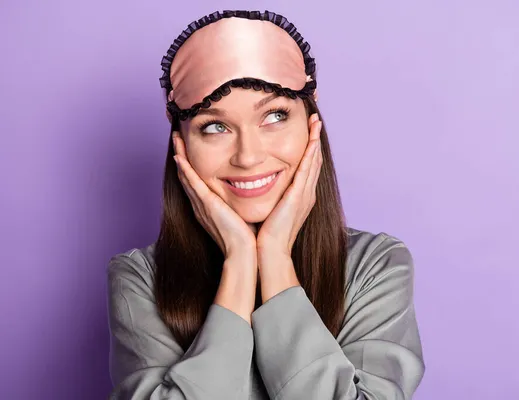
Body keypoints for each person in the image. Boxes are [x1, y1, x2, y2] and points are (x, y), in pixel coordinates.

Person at [106, 9, 425, 400]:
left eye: (274, 116)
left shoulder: (374, 266)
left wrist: (274, 258)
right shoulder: (140, 278)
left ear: (311, 127)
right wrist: (240, 262)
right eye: (215, 126)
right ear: (181, 145)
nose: (248, 156)